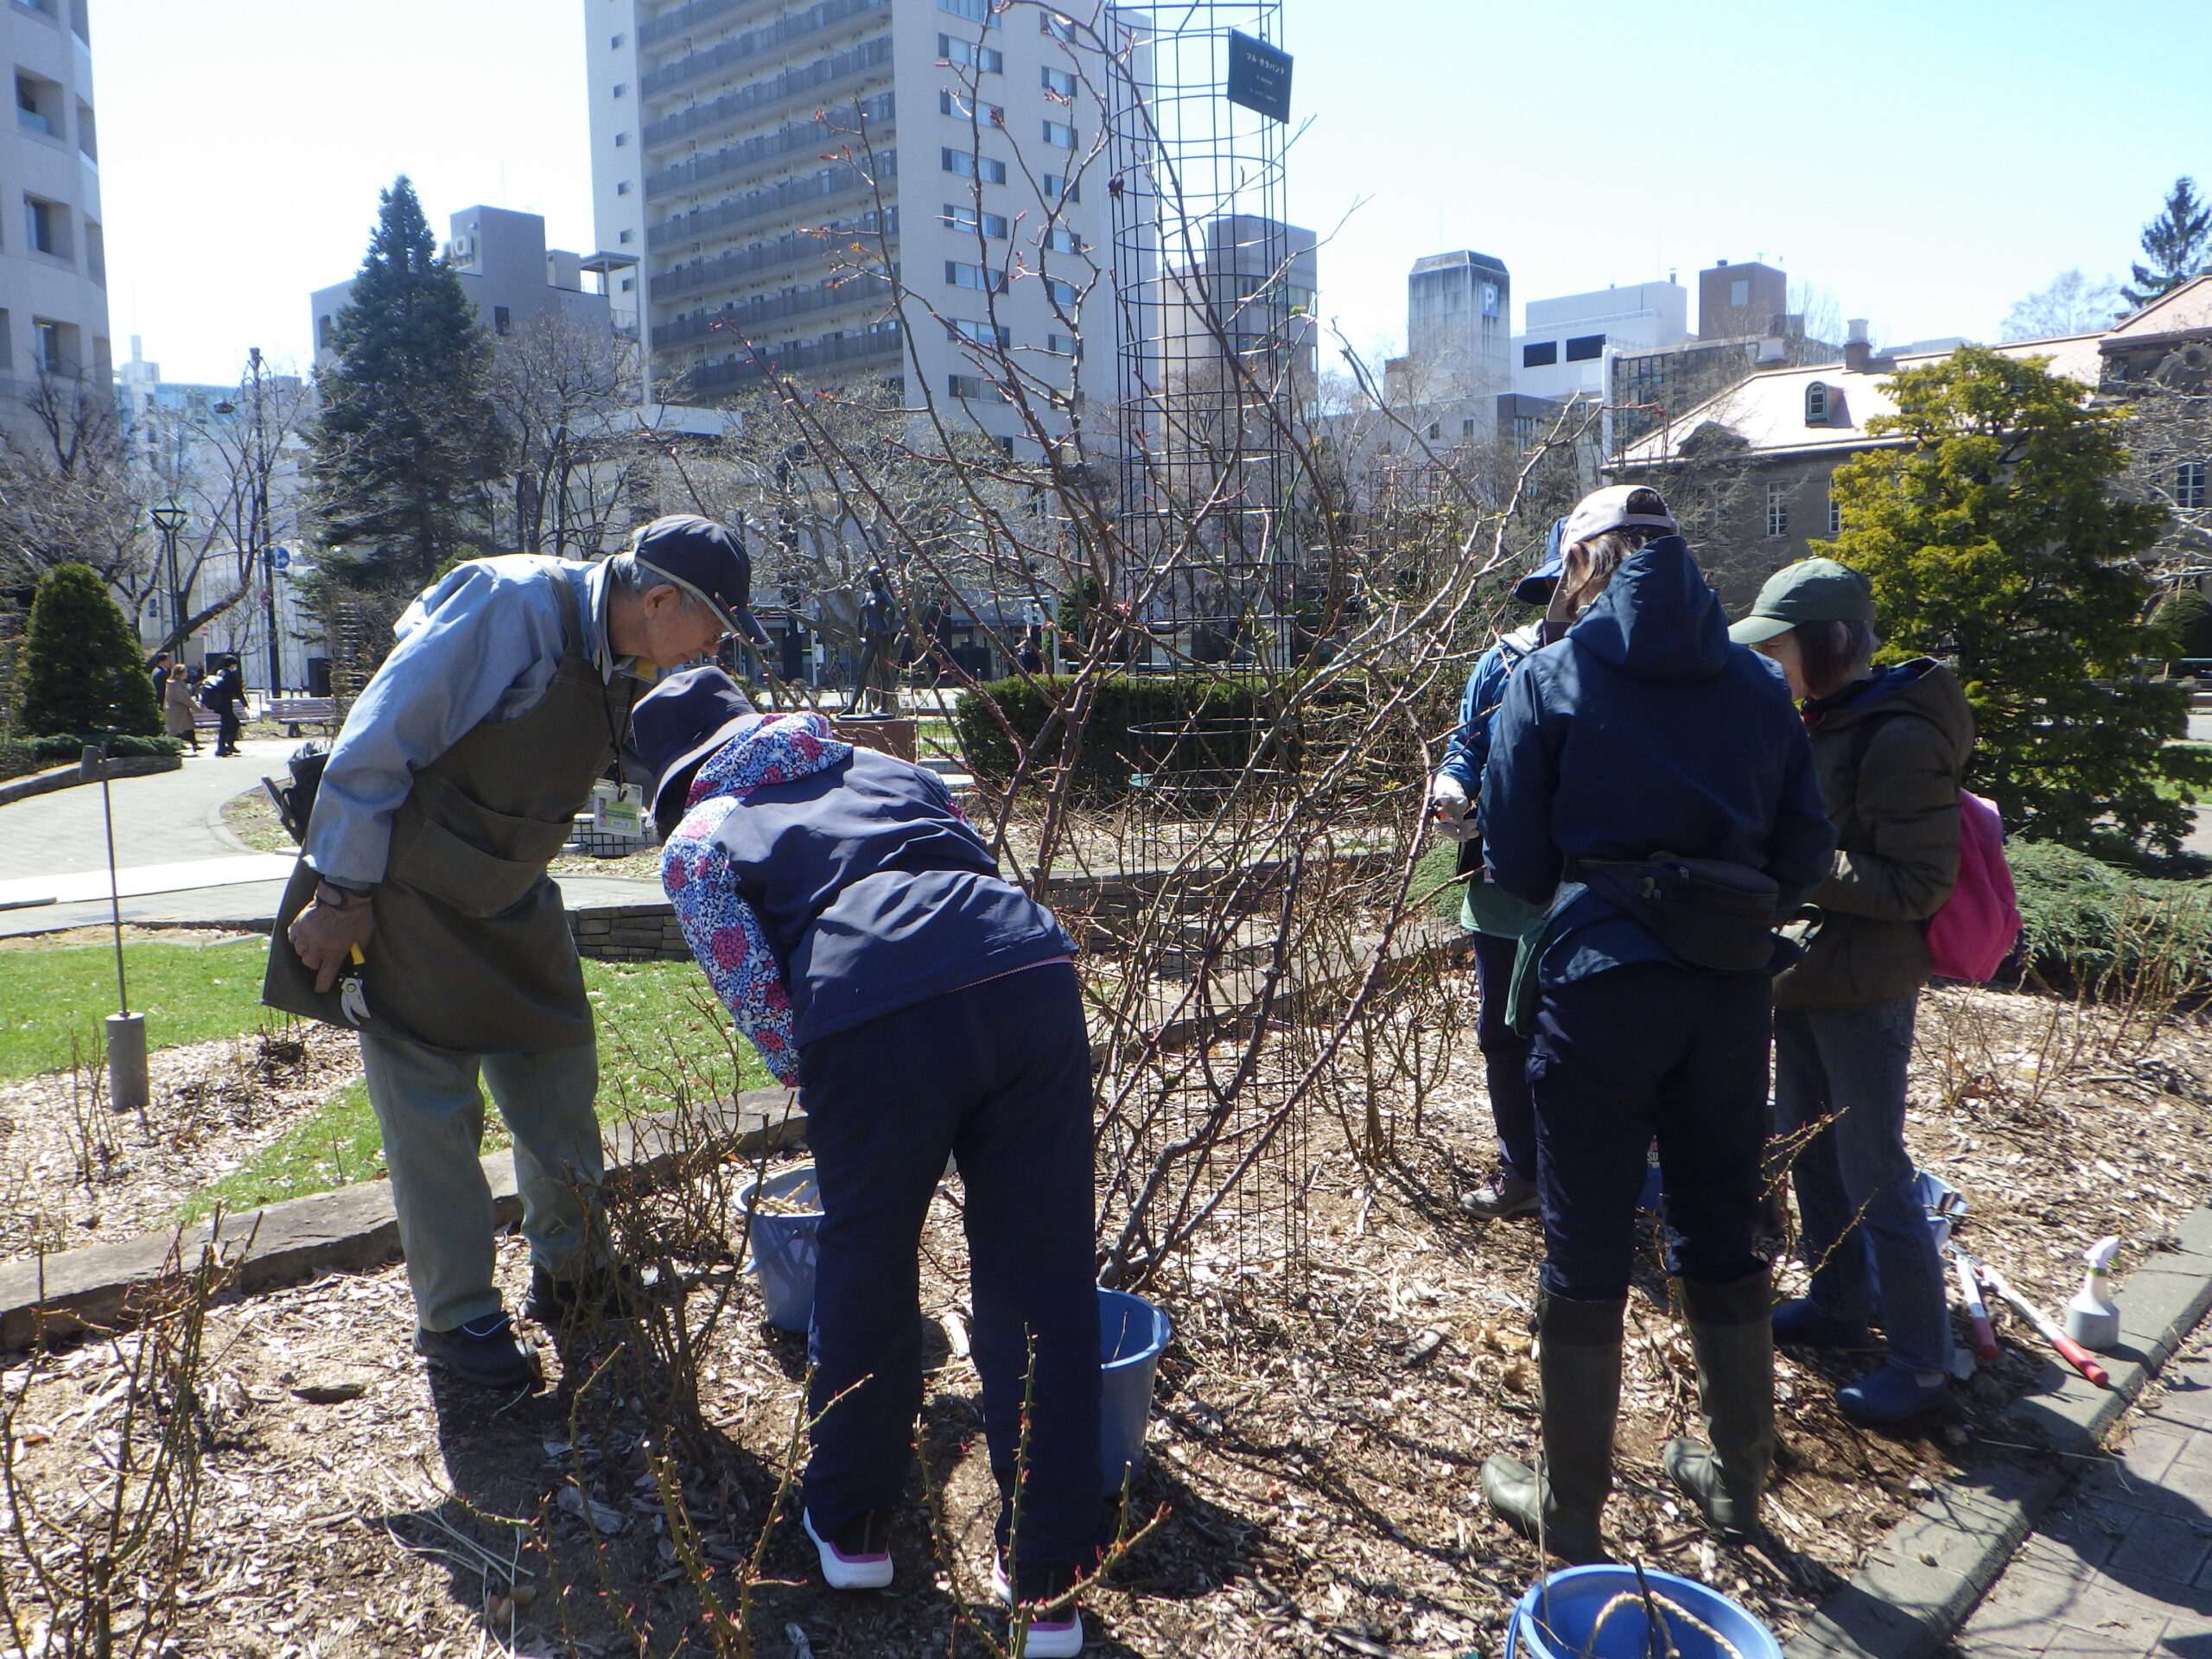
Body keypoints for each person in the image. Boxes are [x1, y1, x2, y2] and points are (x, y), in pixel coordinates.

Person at [639, 665, 1097, 1658]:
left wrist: (842, 1078)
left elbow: (764, 1006)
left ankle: (851, 1533)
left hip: (867, 1004)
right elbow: (964, 874)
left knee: (869, 1256)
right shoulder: (895, 773)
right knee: (1044, 1274)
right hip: (1029, 976)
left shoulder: (701, 837)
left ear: (679, 779)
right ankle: (1051, 1583)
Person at [262, 515, 757, 1392]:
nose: (714, 647)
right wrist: (339, 898)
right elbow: (376, 743)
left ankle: (574, 1275)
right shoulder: (510, 606)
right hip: (403, 892)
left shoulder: (629, 661)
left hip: (511, 890)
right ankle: (459, 1323)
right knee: (432, 1113)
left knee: (558, 1072)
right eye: (713, 627)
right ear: (657, 600)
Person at [1477, 485, 1834, 1562]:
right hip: (1728, 990)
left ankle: (1572, 1511)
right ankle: (1733, 1484)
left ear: (1586, 562)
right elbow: (1806, 857)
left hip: (1598, 986)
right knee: (1720, 1223)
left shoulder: (1549, 675)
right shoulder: (1755, 682)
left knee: (1583, 1235)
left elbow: (1515, 860)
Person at [1730, 560, 1971, 1424]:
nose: (1770, 661)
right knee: (1807, 1148)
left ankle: (1922, 1363)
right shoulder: (1824, 719)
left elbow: (1915, 884)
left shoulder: (1898, 735)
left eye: (1779, 645)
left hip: (1864, 988)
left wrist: (1797, 864)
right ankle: (1838, 1302)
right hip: (1801, 973)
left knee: (1875, 1169)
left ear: (1825, 643)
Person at [1430, 519, 1566, 1221]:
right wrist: (1451, 789)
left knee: (1585, 1038)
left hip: (1587, 892)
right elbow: (1467, 746)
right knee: (1503, 1033)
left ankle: (1598, 1177)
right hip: (1501, 886)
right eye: (1558, 587)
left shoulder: (1634, 669)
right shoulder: (1504, 661)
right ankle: (1524, 1168)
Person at [201, 654, 246, 755]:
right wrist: (244, 702)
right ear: (232, 665)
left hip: (220, 703)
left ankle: (229, 745)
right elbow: (236, 689)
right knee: (227, 725)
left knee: (233, 723)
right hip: (225, 703)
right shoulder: (230, 675)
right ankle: (221, 748)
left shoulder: (220, 673)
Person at [162, 657, 200, 753]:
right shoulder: (176, 685)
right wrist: (197, 709)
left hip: (180, 711)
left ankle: (194, 744)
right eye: (185, 672)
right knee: (173, 730)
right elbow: (185, 699)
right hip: (176, 712)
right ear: (179, 674)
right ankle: (167, 747)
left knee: (188, 727)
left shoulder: (178, 684)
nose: (187, 673)